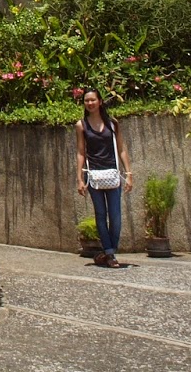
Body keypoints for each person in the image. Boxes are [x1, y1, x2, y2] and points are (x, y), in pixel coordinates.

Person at [76, 88, 132, 268]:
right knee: (101, 214)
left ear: (100, 101)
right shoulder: (81, 125)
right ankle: (109, 253)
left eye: (93, 100)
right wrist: (80, 178)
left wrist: (128, 173)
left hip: (112, 173)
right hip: (93, 175)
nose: (90, 103)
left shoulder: (112, 123)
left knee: (115, 215)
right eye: (86, 101)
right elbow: (80, 152)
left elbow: (121, 148)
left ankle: (110, 250)